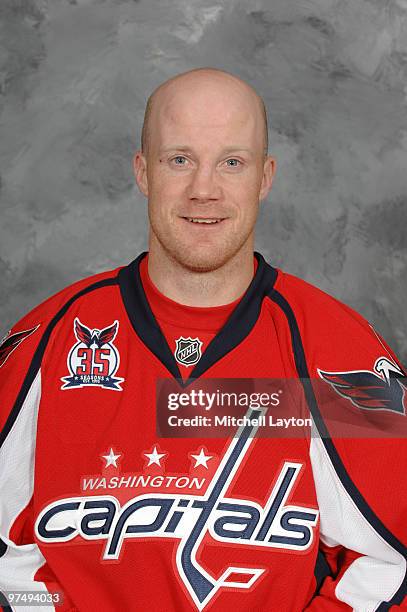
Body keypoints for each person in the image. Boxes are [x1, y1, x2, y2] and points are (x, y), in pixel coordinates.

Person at [0, 67, 405, 611]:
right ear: (143, 172)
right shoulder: (45, 341)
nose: (204, 190)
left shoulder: (342, 356)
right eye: (180, 159)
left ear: (265, 177)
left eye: (231, 162)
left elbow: (391, 562)